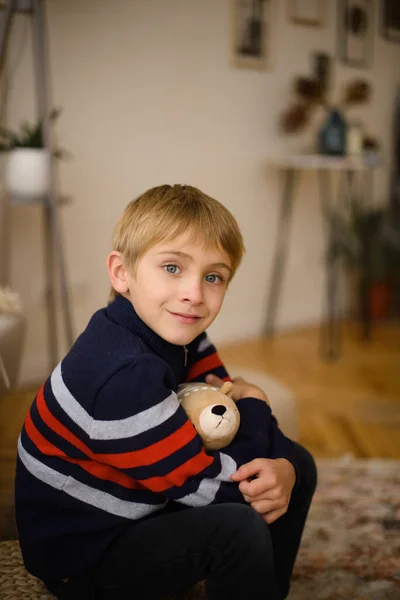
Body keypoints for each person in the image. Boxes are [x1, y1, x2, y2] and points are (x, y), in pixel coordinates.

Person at [15, 184, 317, 600]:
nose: (194, 294)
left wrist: (284, 466)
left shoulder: (184, 336)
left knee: (295, 461)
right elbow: (217, 487)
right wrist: (256, 403)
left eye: (213, 277)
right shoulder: (123, 373)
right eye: (173, 267)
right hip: (87, 555)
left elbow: (227, 420)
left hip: (146, 499)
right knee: (236, 528)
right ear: (122, 273)